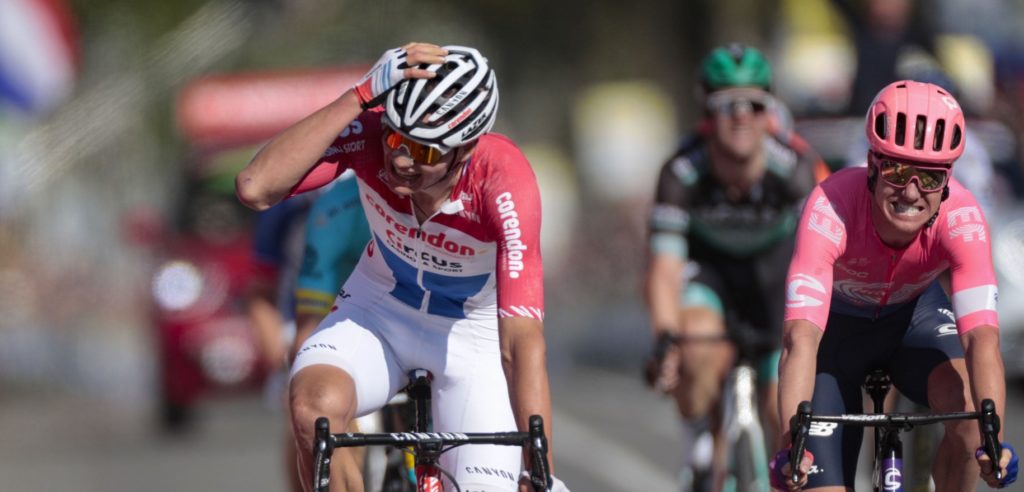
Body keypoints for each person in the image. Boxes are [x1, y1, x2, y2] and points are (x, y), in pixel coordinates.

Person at [235, 43, 565, 492]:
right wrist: (359, 95)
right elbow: (256, 188)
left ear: (465, 149)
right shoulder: (370, 138)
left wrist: (536, 462)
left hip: (473, 338)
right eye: (395, 139)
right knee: (315, 411)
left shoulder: (502, 179)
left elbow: (521, 341)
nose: (403, 160)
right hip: (378, 311)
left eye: (426, 153)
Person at [771, 80, 1018, 491]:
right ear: (872, 165)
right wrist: (789, 442)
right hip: (834, 341)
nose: (911, 191)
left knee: (973, 422)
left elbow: (982, 341)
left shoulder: (963, 218)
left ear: (948, 180)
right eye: (898, 170)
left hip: (913, 322)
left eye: (930, 177)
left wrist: (994, 442)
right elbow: (800, 339)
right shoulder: (829, 207)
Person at [643, 43, 826, 491]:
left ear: (769, 111)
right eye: (727, 105)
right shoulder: (681, 172)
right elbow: (665, 269)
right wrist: (666, 340)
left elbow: (828, 259)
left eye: (754, 104)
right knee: (694, 349)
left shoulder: (797, 168)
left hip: (775, 289)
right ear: (706, 111)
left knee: (781, 415)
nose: (741, 115)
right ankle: (700, 448)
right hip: (712, 284)